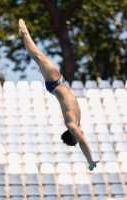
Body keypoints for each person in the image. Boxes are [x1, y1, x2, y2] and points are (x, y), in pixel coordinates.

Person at [19, 18, 99, 171]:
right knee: (37, 57)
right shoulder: (76, 122)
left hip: (55, 83)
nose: (82, 134)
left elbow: (83, 143)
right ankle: (24, 36)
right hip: (58, 83)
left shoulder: (70, 124)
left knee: (39, 56)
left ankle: (25, 32)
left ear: (73, 135)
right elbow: (81, 140)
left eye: (77, 136)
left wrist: (90, 161)